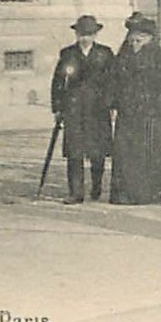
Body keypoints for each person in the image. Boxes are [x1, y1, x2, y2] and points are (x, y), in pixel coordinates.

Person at [108, 16, 161, 206]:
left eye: (139, 40)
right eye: (132, 39)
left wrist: (159, 108)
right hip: (127, 113)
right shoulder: (123, 56)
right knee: (124, 154)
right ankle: (122, 193)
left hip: (149, 115)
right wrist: (113, 104)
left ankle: (145, 193)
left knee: (146, 154)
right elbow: (114, 81)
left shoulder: (160, 59)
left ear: (149, 39)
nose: (134, 43)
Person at [50, 15, 115, 204]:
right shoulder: (68, 53)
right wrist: (57, 108)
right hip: (74, 108)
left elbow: (112, 81)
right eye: (81, 34)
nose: (84, 38)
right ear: (76, 34)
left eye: (89, 34)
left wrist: (109, 103)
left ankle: (96, 186)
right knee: (74, 152)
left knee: (98, 152)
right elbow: (58, 82)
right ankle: (76, 192)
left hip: (97, 109)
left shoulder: (105, 53)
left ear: (95, 35)